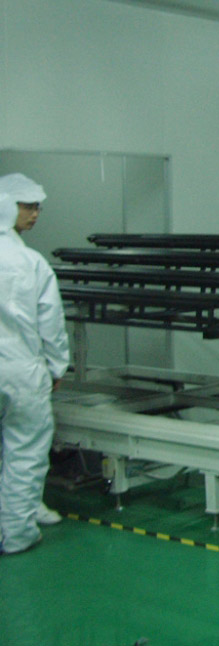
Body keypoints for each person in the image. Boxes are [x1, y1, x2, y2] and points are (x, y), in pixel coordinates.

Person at [0, 188, 70, 554]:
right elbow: (51, 323)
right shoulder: (31, 263)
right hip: (21, 373)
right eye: (27, 206)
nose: (35, 213)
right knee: (25, 453)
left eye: (37, 207)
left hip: (18, 369)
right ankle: (16, 534)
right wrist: (57, 367)